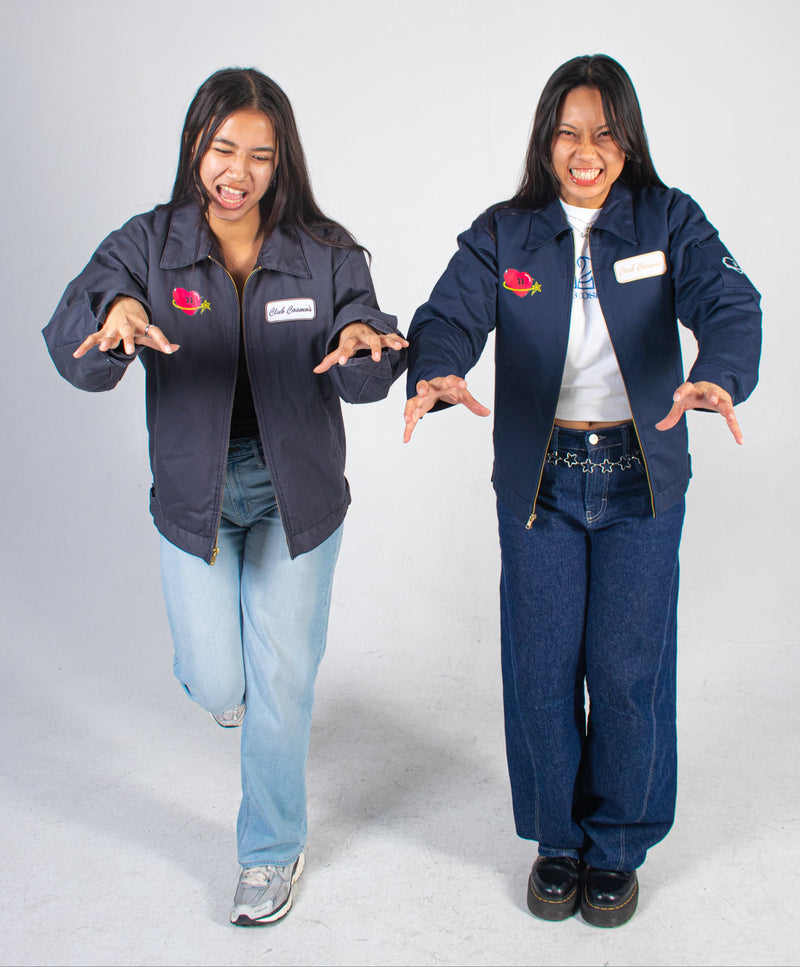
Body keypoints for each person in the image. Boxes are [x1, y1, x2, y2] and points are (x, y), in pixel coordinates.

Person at [43, 67, 407, 926]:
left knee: (282, 680)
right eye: (221, 149)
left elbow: (374, 351)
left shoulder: (325, 252)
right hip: (195, 498)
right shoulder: (149, 242)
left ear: (282, 163)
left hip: (297, 494)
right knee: (219, 680)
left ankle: (270, 851)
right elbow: (74, 333)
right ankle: (228, 691)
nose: (236, 171)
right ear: (194, 148)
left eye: (259, 155)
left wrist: (363, 345)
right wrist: (118, 316)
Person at [402, 54, 761, 928]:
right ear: (546, 140)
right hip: (543, 485)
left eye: (604, 132)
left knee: (629, 672)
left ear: (628, 139)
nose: (586, 149)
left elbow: (729, 302)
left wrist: (717, 374)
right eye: (569, 132)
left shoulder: (669, 219)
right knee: (541, 669)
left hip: (642, 482)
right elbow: (446, 315)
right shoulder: (507, 233)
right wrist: (439, 367)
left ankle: (618, 847)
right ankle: (557, 842)